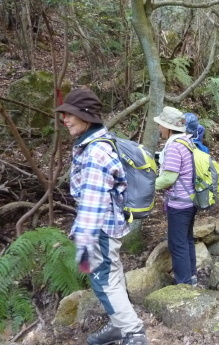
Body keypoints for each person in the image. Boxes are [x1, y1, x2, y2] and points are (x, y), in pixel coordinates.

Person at [55, 89, 148, 345]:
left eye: (70, 115)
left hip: (100, 230)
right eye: (64, 114)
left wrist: (84, 243)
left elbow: (93, 203)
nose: (65, 119)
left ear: (87, 117)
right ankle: (120, 326)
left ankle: (133, 334)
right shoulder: (97, 143)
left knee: (103, 282)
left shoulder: (95, 153)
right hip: (110, 225)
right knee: (113, 277)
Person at [154, 107, 198, 286]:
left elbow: (169, 178)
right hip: (191, 199)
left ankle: (184, 284)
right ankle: (191, 276)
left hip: (179, 203)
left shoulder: (173, 146)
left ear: (168, 127)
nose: (159, 129)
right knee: (186, 240)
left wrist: (149, 186)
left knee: (177, 244)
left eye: (161, 125)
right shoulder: (188, 142)